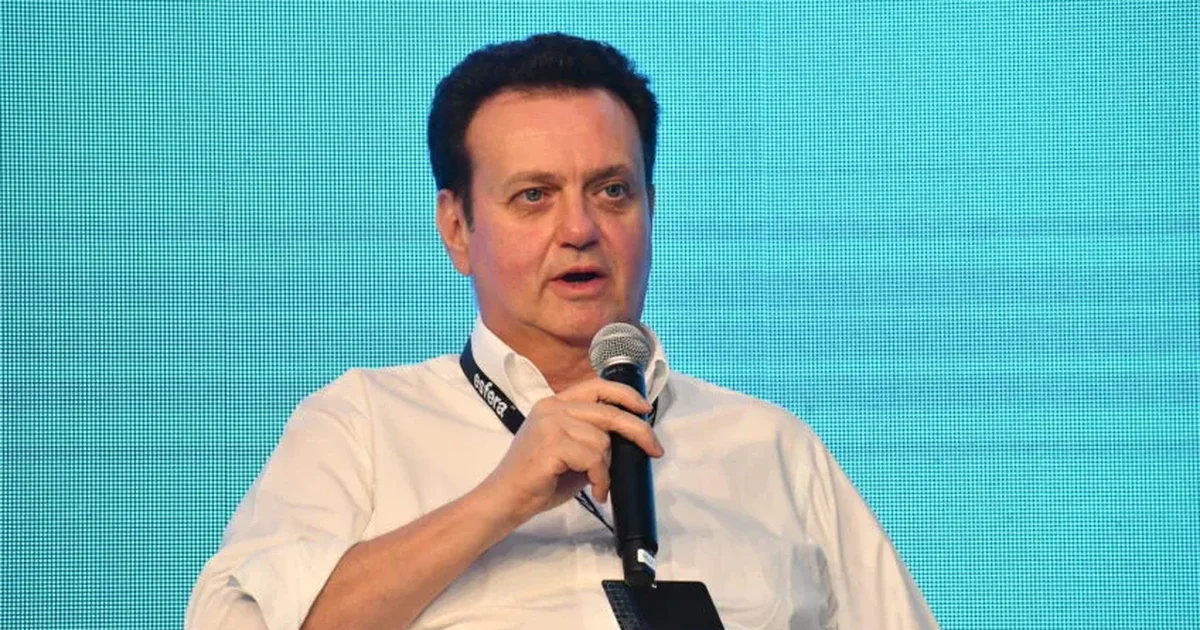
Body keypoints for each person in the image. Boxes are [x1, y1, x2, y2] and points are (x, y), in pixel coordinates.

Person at [185, 32, 939, 630]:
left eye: (612, 190)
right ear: (457, 228)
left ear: (650, 208)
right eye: (534, 196)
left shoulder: (772, 449)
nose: (580, 228)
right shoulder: (362, 426)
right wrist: (498, 501)